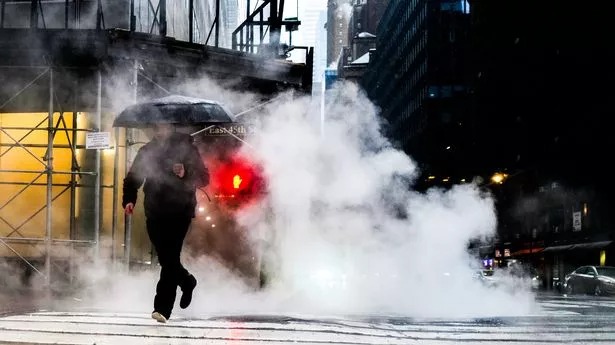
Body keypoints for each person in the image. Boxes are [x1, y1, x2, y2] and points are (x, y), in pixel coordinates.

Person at [122, 122, 209, 323]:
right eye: (156, 125)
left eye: (163, 125)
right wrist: (129, 199)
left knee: (170, 258)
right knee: (166, 258)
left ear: (171, 127)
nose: (159, 129)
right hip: (155, 211)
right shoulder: (147, 151)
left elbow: (204, 178)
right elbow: (133, 178)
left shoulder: (187, 149)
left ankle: (162, 308)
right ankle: (187, 281)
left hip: (180, 211)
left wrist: (185, 172)